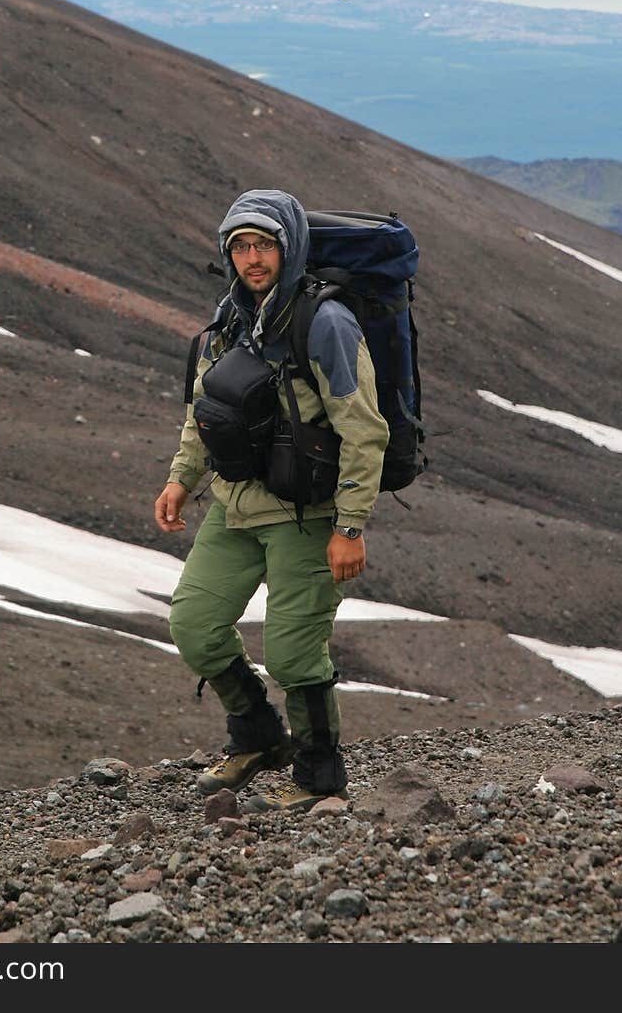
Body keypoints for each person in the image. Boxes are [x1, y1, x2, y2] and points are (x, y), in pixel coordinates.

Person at [155, 188, 389, 813]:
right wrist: (183, 477)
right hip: (235, 507)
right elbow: (204, 410)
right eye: (240, 247)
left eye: (264, 245)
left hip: (306, 516)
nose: (252, 258)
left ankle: (318, 775)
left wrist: (352, 525)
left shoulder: (325, 322)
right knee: (196, 628)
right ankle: (259, 737)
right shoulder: (229, 318)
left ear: (289, 248)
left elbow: (365, 429)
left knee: (291, 651)